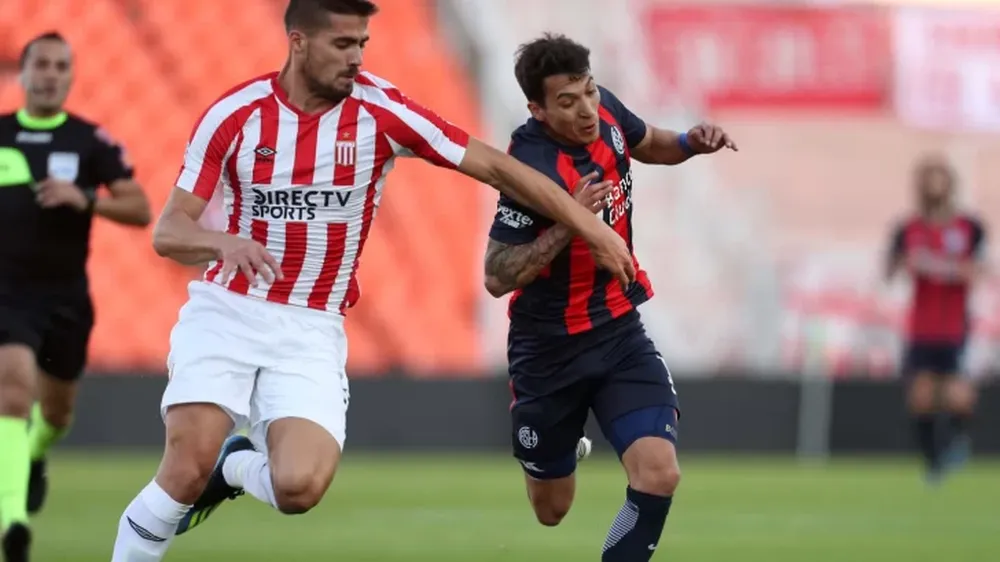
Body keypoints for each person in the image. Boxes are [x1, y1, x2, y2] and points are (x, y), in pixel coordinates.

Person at [108, 2, 635, 561]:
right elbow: (169, 231)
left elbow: (498, 168)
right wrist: (223, 243)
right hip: (229, 309)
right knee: (186, 468)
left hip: (311, 326)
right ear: (298, 42)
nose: (356, 58)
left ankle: (236, 465)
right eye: (342, 45)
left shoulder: (380, 112)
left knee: (299, 489)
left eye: (362, 43)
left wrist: (590, 229)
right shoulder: (235, 116)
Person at [483, 34, 736, 562]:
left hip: (619, 331)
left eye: (589, 92)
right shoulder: (529, 165)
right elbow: (497, 274)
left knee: (659, 473)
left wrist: (691, 142)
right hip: (548, 349)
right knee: (551, 509)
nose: (586, 111)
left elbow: (651, 144)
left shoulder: (609, 114)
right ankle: (564, 443)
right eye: (567, 102)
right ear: (538, 109)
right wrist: (571, 223)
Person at [0, 32, 151, 562]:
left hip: (65, 297)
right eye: (41, 64)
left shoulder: (91, 142)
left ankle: (34, 455)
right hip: (6, 295)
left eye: (61, 66)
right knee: (12, 391)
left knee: (57, 415)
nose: (50, 74)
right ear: (23, 73)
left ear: (70, 76)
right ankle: (12, 522)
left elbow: (139, 208)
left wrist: (84, 197)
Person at [885, 155, 987, 484]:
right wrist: (906, 264)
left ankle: (958, 442)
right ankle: (933, 463)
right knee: (922, 397)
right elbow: (890, 270)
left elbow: (979, 270)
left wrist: (941, 268)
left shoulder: (970, 227)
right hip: (921, 326)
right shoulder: (908, 229)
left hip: (956, 325)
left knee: (959, 395)